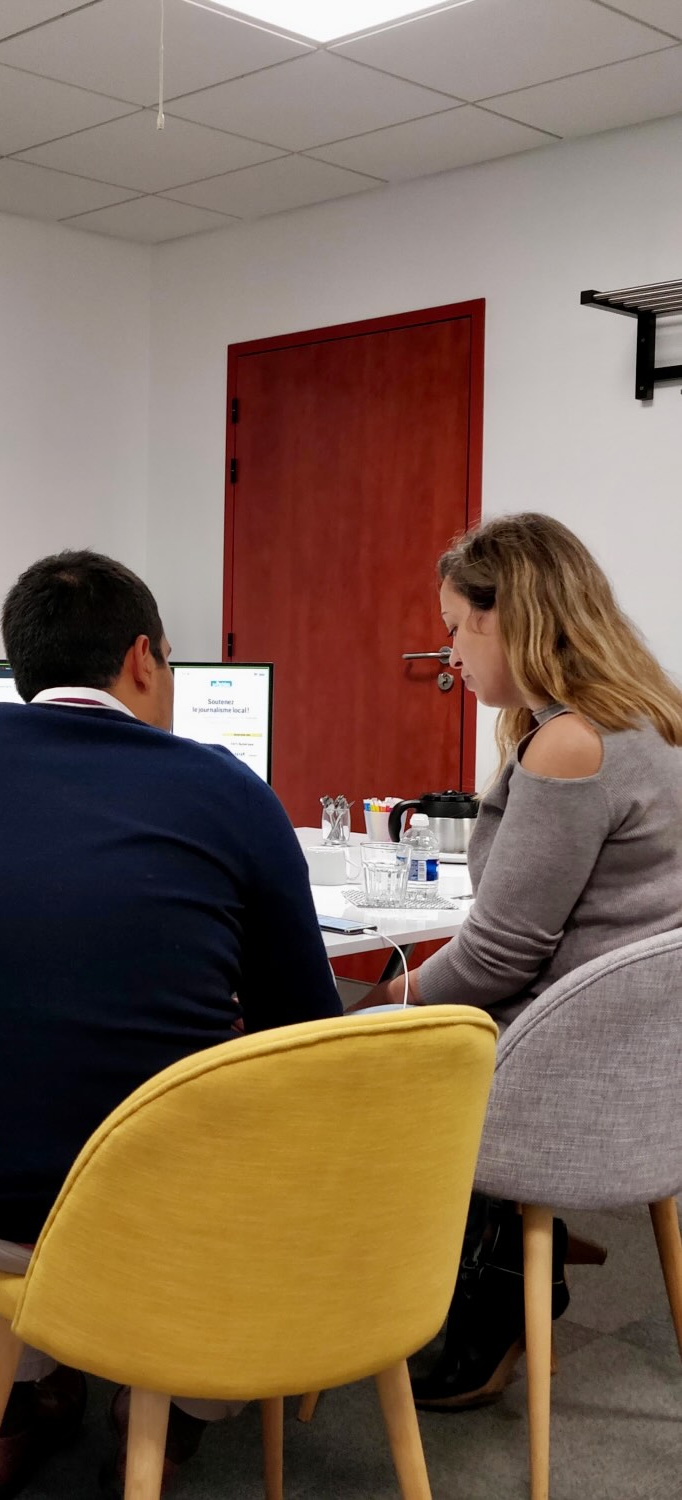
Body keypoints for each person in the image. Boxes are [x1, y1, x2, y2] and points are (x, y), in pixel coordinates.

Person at [0, 550, 342, 1498]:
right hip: (164, 1224)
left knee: (26, 1099)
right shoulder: (227, 788)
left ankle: (23, 1398)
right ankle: (181, 1414)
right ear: (143, 659)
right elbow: (303, 1028)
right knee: (241, 1131)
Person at [354, 513, 682, 1412]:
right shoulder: (653, 718)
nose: (449, 652)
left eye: (459, 626)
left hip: (556, 1069)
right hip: (631, 1062)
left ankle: (477, 1271)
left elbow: (500, 955)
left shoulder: (572, 744)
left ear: (518, 619)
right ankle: (513, 1230)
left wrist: (379, 1001)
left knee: (343, 1042)